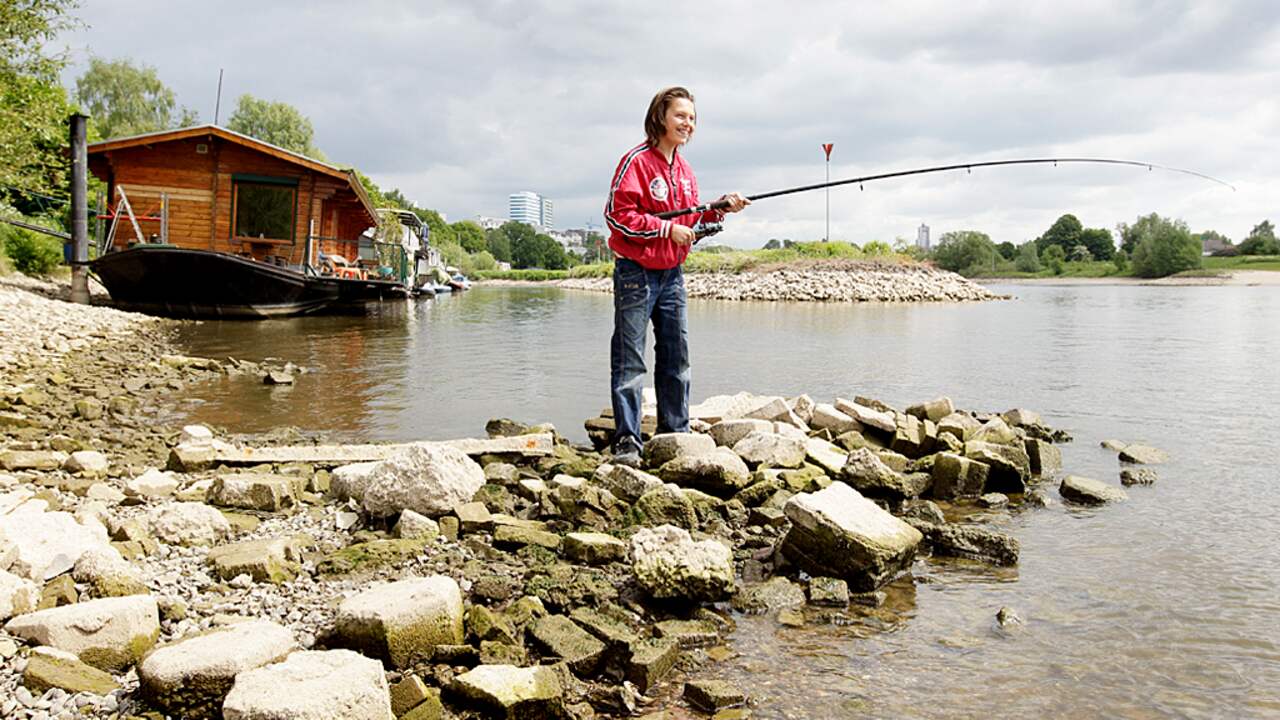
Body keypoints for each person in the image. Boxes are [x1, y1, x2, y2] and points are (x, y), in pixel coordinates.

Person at [603, 86, 749, 468]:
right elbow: (618, 216)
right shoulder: (635, 162)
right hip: (635, 273)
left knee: (676, 357)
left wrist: (720, 211)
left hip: (673, 275)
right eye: (681, 116)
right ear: (660, 117)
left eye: (693, 118)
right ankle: (627, 443)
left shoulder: (685, 171)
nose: (689, 124)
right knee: (630, 360)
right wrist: (666, 231)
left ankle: (674, 433)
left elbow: (691, 224)